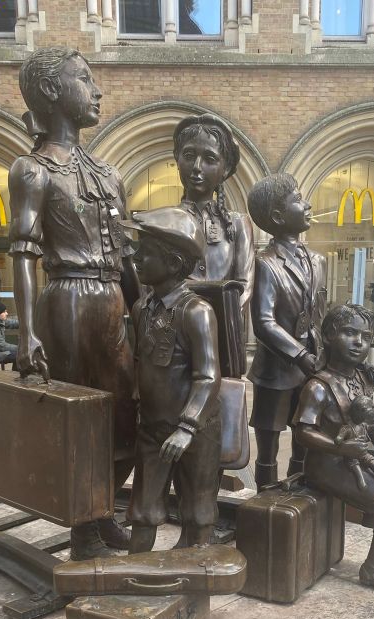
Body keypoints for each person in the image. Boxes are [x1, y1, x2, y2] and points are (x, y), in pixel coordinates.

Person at [8, 46, 140, 557]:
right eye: (84, 79)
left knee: (127, 412)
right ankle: (84, 527)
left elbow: (126, 255)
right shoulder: (32, 169)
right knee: (80, 419)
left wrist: (143, 312)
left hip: (111, 301)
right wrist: (26, 332)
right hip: (65, 300)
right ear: (49, 92)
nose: (97, 90)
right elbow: (23, 250)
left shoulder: (108, 174)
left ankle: (102, 505)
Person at [293, 302, 374, 596]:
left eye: (365, 337)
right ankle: (373, 568)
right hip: (326, 466)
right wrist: (341, 451)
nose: (358, 342)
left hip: (354, 458)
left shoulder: (362, 377)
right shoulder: (318, 386)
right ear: (329, 336)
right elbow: (303, 432)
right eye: (350, 333)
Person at [123, 206, 221, 553]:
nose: (136, 258)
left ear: (174, 263)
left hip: (194, 432)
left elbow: (208, 377)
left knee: (198, 510)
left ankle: (192, 574)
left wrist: (187, 427)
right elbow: (140, 364)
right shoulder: (141, 309)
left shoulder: (196, 312)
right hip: (152, 428)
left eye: (145, 252)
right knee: (143, 510)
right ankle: (133, 575)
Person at [246, 173, 327, 489]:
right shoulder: (266, 262)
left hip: (312, 369)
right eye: (298, 199)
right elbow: (264, 323)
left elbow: (321, 314)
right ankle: (265, 501)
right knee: (269, 446)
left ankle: (299, 495)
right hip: (276, 372)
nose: (308, 205)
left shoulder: (318, 261)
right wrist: (300, 354)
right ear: (278, 216)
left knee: (305, 438)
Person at [173, 113, 254, 342]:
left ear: (225, 168)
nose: (197, 167)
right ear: (177, 159)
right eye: (189, 156)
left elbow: (244, 285)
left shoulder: (238, 224)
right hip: (176, 336)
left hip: (222, 334)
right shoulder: (164, 221)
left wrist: (217, 320)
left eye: (209, 159)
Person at [334, 393, 374, 490]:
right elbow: (339, 437)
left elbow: (372, 428)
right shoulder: (347, 428)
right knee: (355, 467)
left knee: (372, 461)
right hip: (351, 455)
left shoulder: (362, 426)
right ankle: (361, 480)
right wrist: (340, 440)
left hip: (363, 453)